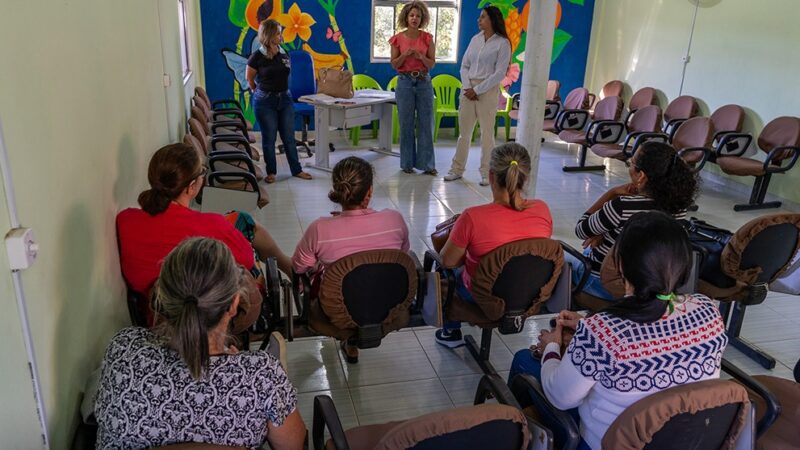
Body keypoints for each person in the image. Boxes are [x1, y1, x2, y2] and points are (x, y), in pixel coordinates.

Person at [508, 211, 728, 450]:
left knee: (524, 361)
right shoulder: (708, 311)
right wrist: (585, 330)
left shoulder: (603, 332)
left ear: (621, 264)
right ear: (685, 263)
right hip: (686, 440)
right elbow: (656, 336)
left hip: (607, 443)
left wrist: (552, 345)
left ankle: (514, 439)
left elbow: (560, 398)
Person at [95, 238, 306, 450]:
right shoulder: (261, 376)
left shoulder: (123, 349)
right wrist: (240, 367)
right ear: (234, 304)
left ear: (163, 297)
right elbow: (294, 445)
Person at [117, 143, 292, 323]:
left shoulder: (126, 220)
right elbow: (246, 261)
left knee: (240, 219)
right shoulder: (210, 226)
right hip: (211, 316)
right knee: (250, 258)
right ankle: (290, 268)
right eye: (202, 172)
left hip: (159, 317)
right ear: (191, 187)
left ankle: (289, 265)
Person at [434, 143, 553, 348]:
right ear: (527, 176)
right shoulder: (542, 209)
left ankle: (450, 331)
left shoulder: (472, 217)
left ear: (491, 176)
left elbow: (448, 261)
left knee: (441, 270)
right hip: (528, 294)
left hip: (483, 296)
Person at [292, 156, 410, 362]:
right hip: (387, 304)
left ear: (338, 191)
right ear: (370, 191)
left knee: (321, 273)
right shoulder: (395, 220)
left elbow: (299, 267)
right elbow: (403, 254)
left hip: (336, 312)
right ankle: (352, 342)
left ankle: (349, 339)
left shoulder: (320, 229)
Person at [569, 141, 699, 300]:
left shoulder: (621, 206)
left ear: (641, 175)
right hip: (650, 284)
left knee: (564, 259)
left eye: (631, 163)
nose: (629, 166)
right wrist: (609, 233)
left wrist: (611, 193)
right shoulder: (678, 209)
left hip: (604, 284)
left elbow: (581, 230)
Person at [444, 6, 511, 186]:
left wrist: (478, 89)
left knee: (487, 134)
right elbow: (464, 66)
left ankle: (486, 173)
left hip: (487, 91)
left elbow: (499, 73)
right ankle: (456, 170)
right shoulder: (475, 39)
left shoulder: (503, 43)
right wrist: (468, 87)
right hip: (468, 90)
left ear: (492, 20)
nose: (478, 20)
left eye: (482, 17)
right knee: (463, 134)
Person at [246, 19, 312, 183]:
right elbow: (250, 79)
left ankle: (296, 170)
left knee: (289, 136)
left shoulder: (284, 52)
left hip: (285, 99)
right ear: (268, 35)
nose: (280, 36)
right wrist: (258, 91)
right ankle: (271, 172)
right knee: (269, 138)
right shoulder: (257, 57)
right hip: (265, 102)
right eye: (277, 33)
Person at [389, 1, 437, 175]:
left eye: (418, 15)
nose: (414, 18)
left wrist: (421, 57)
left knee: (426, 123)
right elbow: (394, 64)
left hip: (424, 81)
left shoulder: (427, 38)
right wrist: (404, 55)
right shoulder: (398, 39)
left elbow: (432, 63)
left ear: (422, 18)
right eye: (411, 15)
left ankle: (428, 165)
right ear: (406, 17)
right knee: (406, 123)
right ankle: (407, 164)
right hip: (404, 82)